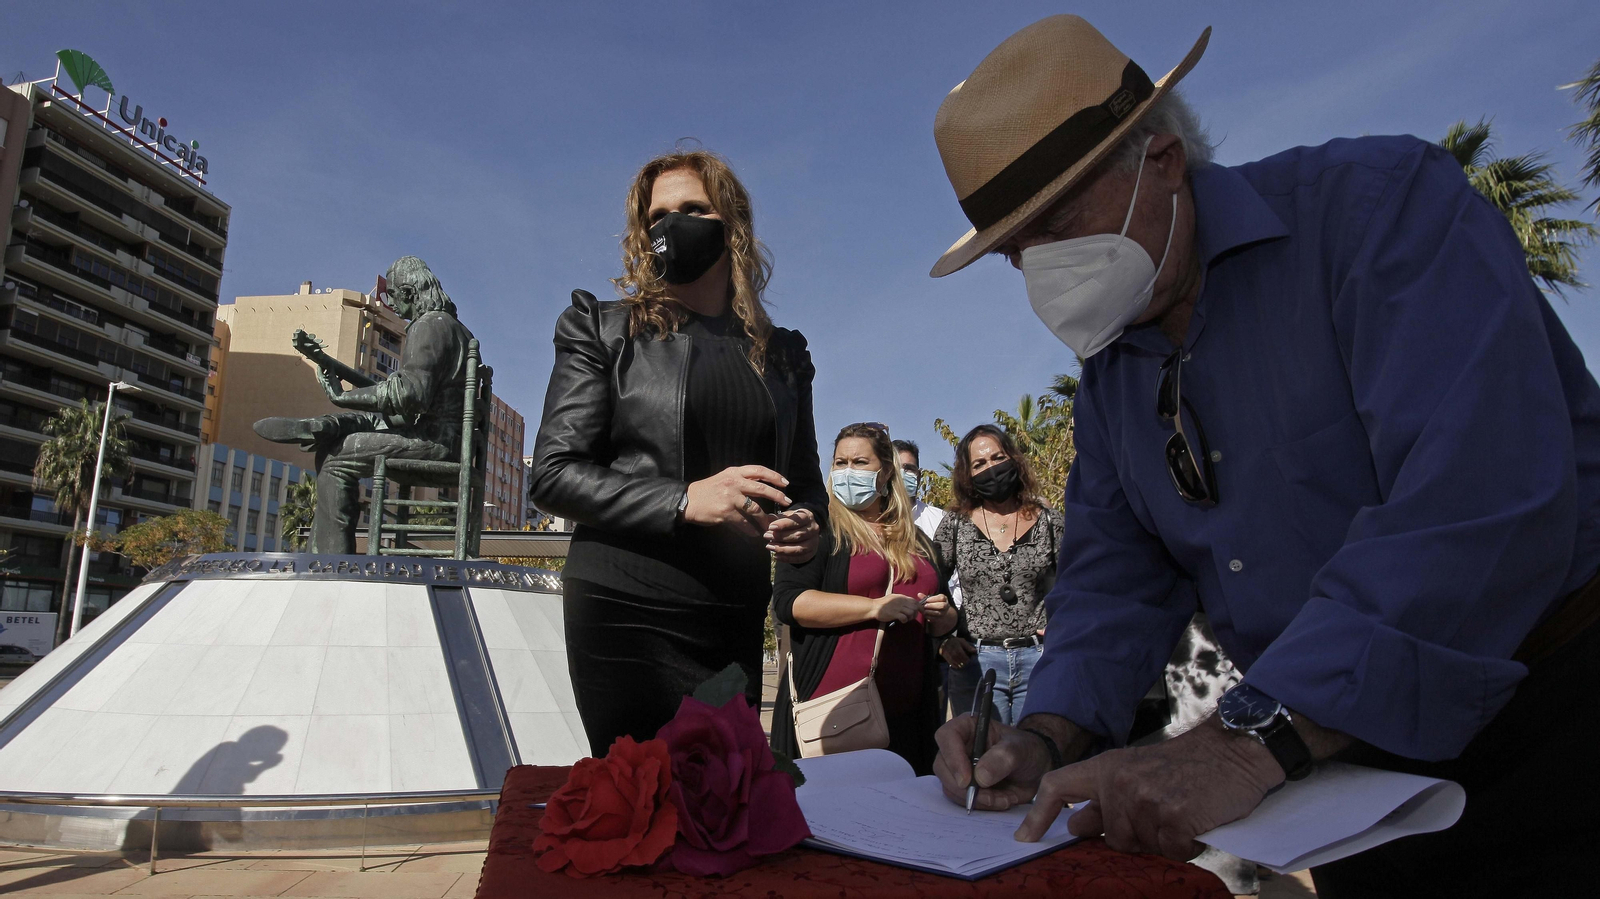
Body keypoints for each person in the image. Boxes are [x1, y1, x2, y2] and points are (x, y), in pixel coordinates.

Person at [923, 16, 1600, 897]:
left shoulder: (1380, 211)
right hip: (1357, 774)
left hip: (1560, 713)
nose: (1041, 273)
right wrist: (1043, 732)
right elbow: (1112, 586)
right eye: (1016, 254)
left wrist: (1250, 740)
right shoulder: (1109, 382)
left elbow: (1479, 499)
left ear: (1160, 160)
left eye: (1057, 224)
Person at [528, 148, 827, 756]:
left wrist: (805, 526)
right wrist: (686, 500)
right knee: (645, 808)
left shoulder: (784, 355)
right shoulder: (602, 329)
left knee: (726, 805)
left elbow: (804, 484)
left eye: (693, 208)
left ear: (732, 226)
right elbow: (554, 475)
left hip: (733, 611)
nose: (674, 225)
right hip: (624, 611)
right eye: (658, 215)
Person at [772, 424, 960, 774]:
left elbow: (944, 616)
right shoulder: (818, 530)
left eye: (859, 462)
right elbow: (789, 603)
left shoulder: (918, 540)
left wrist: (944, 618)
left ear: (886, 471)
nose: (847, 472)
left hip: (908, 715)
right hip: (836, 713)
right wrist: (875, 608)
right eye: (840, 462)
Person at [253, 256, 473, 554]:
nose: (391, 304)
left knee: (335, 458)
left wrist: (342, 397)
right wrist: (331, 366)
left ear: (408, 292)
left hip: (436, 444)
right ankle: (327, 425)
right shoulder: (452, 328)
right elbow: (402, 397)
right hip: (441, 436)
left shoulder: (429, 327)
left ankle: (330, 561)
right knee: (366, 424)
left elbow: (409, 395)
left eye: (392, 296)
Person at [933, 425, 1060, 724]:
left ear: (1013, 459)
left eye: (997, 457)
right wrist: (944, 639)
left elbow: (1075, 581)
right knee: (982, 759)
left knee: (1036, 755)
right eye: (979, 464)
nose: (990, 467)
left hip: (1039, 659)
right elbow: (931, 582)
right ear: (967, 475)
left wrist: (1063, 627)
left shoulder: (1050, 522)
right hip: (976, 663)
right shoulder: (955, 524)